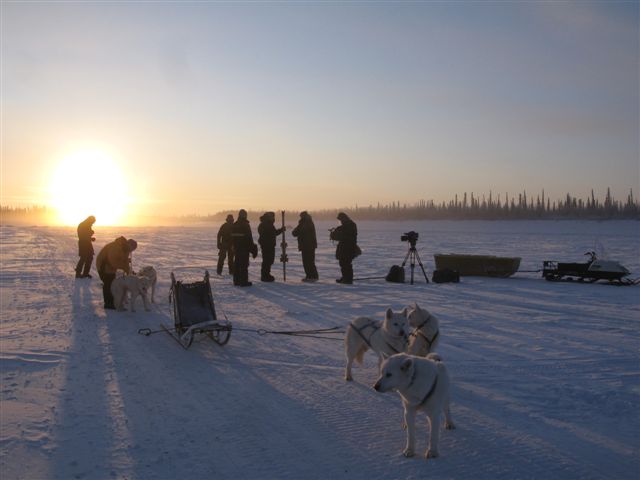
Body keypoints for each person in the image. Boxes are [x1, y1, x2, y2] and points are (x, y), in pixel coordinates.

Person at [95, 236, 137, 309]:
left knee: (112, 283)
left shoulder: (126, 249)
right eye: (131, 249)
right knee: (108, 284)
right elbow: (113, 262)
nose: (131, 251)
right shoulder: (115, 247)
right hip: (103, 265)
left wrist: (129, 272)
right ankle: (108, 304)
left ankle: (112, 300)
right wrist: (124, 267)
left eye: (132, 250)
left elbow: (125, 261)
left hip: (110, 268)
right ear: (128, 245)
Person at [330, 212, 358, 284]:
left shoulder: (350, 225)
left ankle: (348, 279)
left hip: (348, 248)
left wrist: (334, 233)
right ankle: (345, 277)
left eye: (341, 220)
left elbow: (343, 236)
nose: (340, 221)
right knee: (343, 263)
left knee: (346, 263)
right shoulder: (347, 225)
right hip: (345, 247)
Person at [231, 209, 257, 287]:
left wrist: (233, 246)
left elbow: (231, 237)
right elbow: (249, 238)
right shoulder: (245, 225)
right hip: (244, 248)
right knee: (244, 265)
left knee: (237, 264)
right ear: (244, 215)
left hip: (236, 248)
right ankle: (243, 281)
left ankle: (236, 281)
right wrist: (253, 249)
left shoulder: (234, 224)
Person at [257, 211, 285, 282]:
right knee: (267, 260)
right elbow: (263, 232)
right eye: (272, 217)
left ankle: (267, 274)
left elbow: (274, 233)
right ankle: (264, 276)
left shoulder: (269, 224)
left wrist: (281, 230)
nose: (273, 218)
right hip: (266, 245)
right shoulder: (264, 224)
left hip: (270, 245)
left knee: (270, 260)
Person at [292, 211, 318, 282]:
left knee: (307, 262)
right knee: (311, 261)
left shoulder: (304, 223)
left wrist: (294, 230)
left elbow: (295, 232)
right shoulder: (310, 222)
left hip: (306, 245)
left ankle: (310, 276)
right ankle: (314, 276)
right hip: (310, 245)